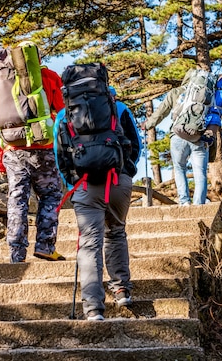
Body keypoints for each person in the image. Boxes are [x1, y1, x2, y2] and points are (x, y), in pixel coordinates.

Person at [54, 85, 141, 321]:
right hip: (117, 181)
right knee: (115, 232)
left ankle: (93, 307)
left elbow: (59, 154)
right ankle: (122, 289)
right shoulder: (120, 108)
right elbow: (136, 145)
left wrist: (70, 183)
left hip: (85, 185)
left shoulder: (65, 113)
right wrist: (126, 173)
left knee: (90, 244)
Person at [0, 43, 66, 263]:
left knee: (17, 200)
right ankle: (45, 246)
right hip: (43, 149)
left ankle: (16, 253)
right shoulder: (48, 77)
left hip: (12, 150)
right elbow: (62, 115)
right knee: (50, 196)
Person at [143, 74, 222, 206]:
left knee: (179, 168)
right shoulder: (208, 96)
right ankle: (199, 205)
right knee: (200, 173)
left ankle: (184, 202)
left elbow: (161, 111)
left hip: (178, 136)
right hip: (199, 138)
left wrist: (147, 125)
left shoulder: (177, 92)